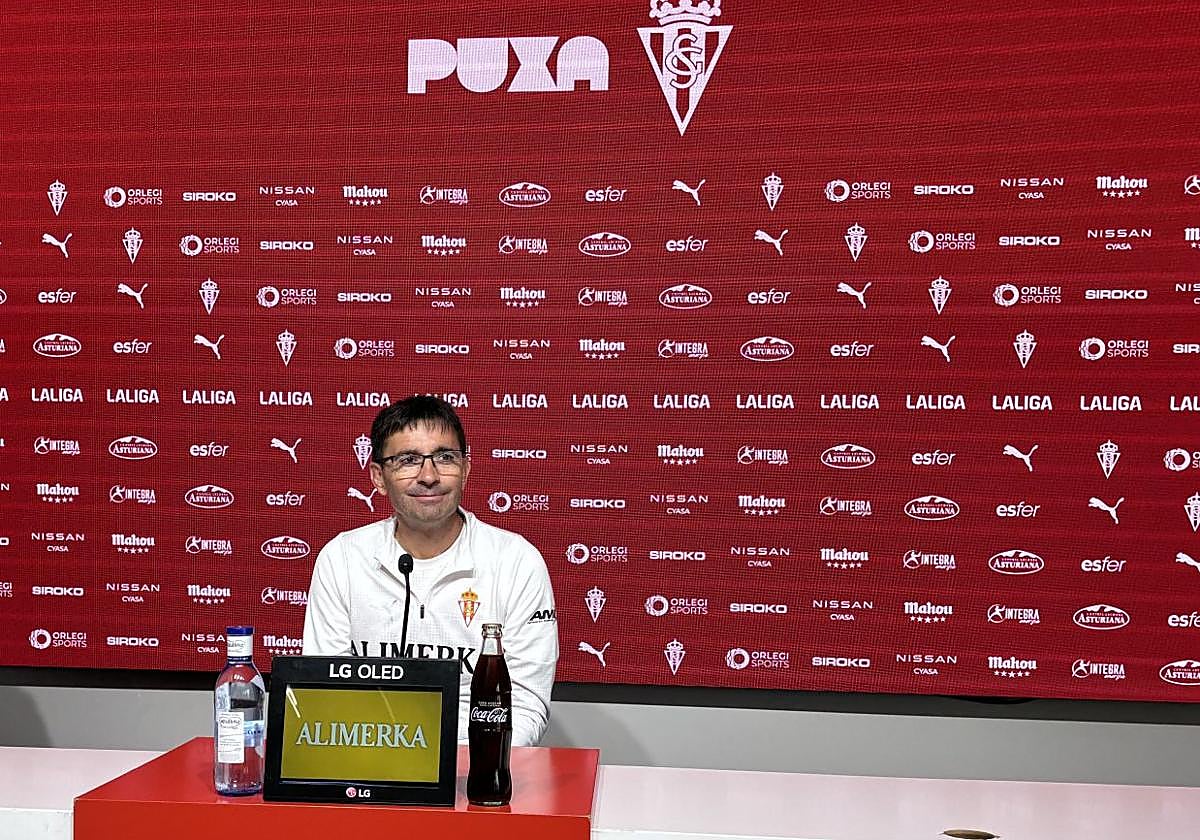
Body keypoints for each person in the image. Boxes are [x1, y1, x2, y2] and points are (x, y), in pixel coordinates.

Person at [302, 395, 558, 746]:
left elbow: (526, 706)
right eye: (408, 460)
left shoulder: (516, 561)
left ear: (466, 469)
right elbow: (325, 692)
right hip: (367, 764)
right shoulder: (342, 558)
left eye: (445, 457)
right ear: (378, 476)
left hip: (473, 771)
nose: (429, 476)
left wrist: (457, 770)